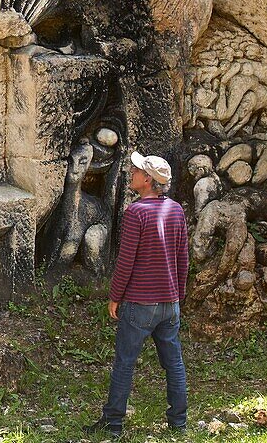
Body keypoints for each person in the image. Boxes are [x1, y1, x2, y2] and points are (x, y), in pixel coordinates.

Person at [86, 151, 188, 436]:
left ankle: (113, 424)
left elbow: (126, 260)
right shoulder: (176, 210)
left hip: (139, 303)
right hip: (169, 302)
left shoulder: (136, 212)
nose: (132, 171)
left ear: (147, 180)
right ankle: (178, 423)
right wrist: (177, 295)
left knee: (124, 364)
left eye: (137, 170)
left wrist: (115, 296)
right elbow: (183, 258)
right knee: (174, 363)